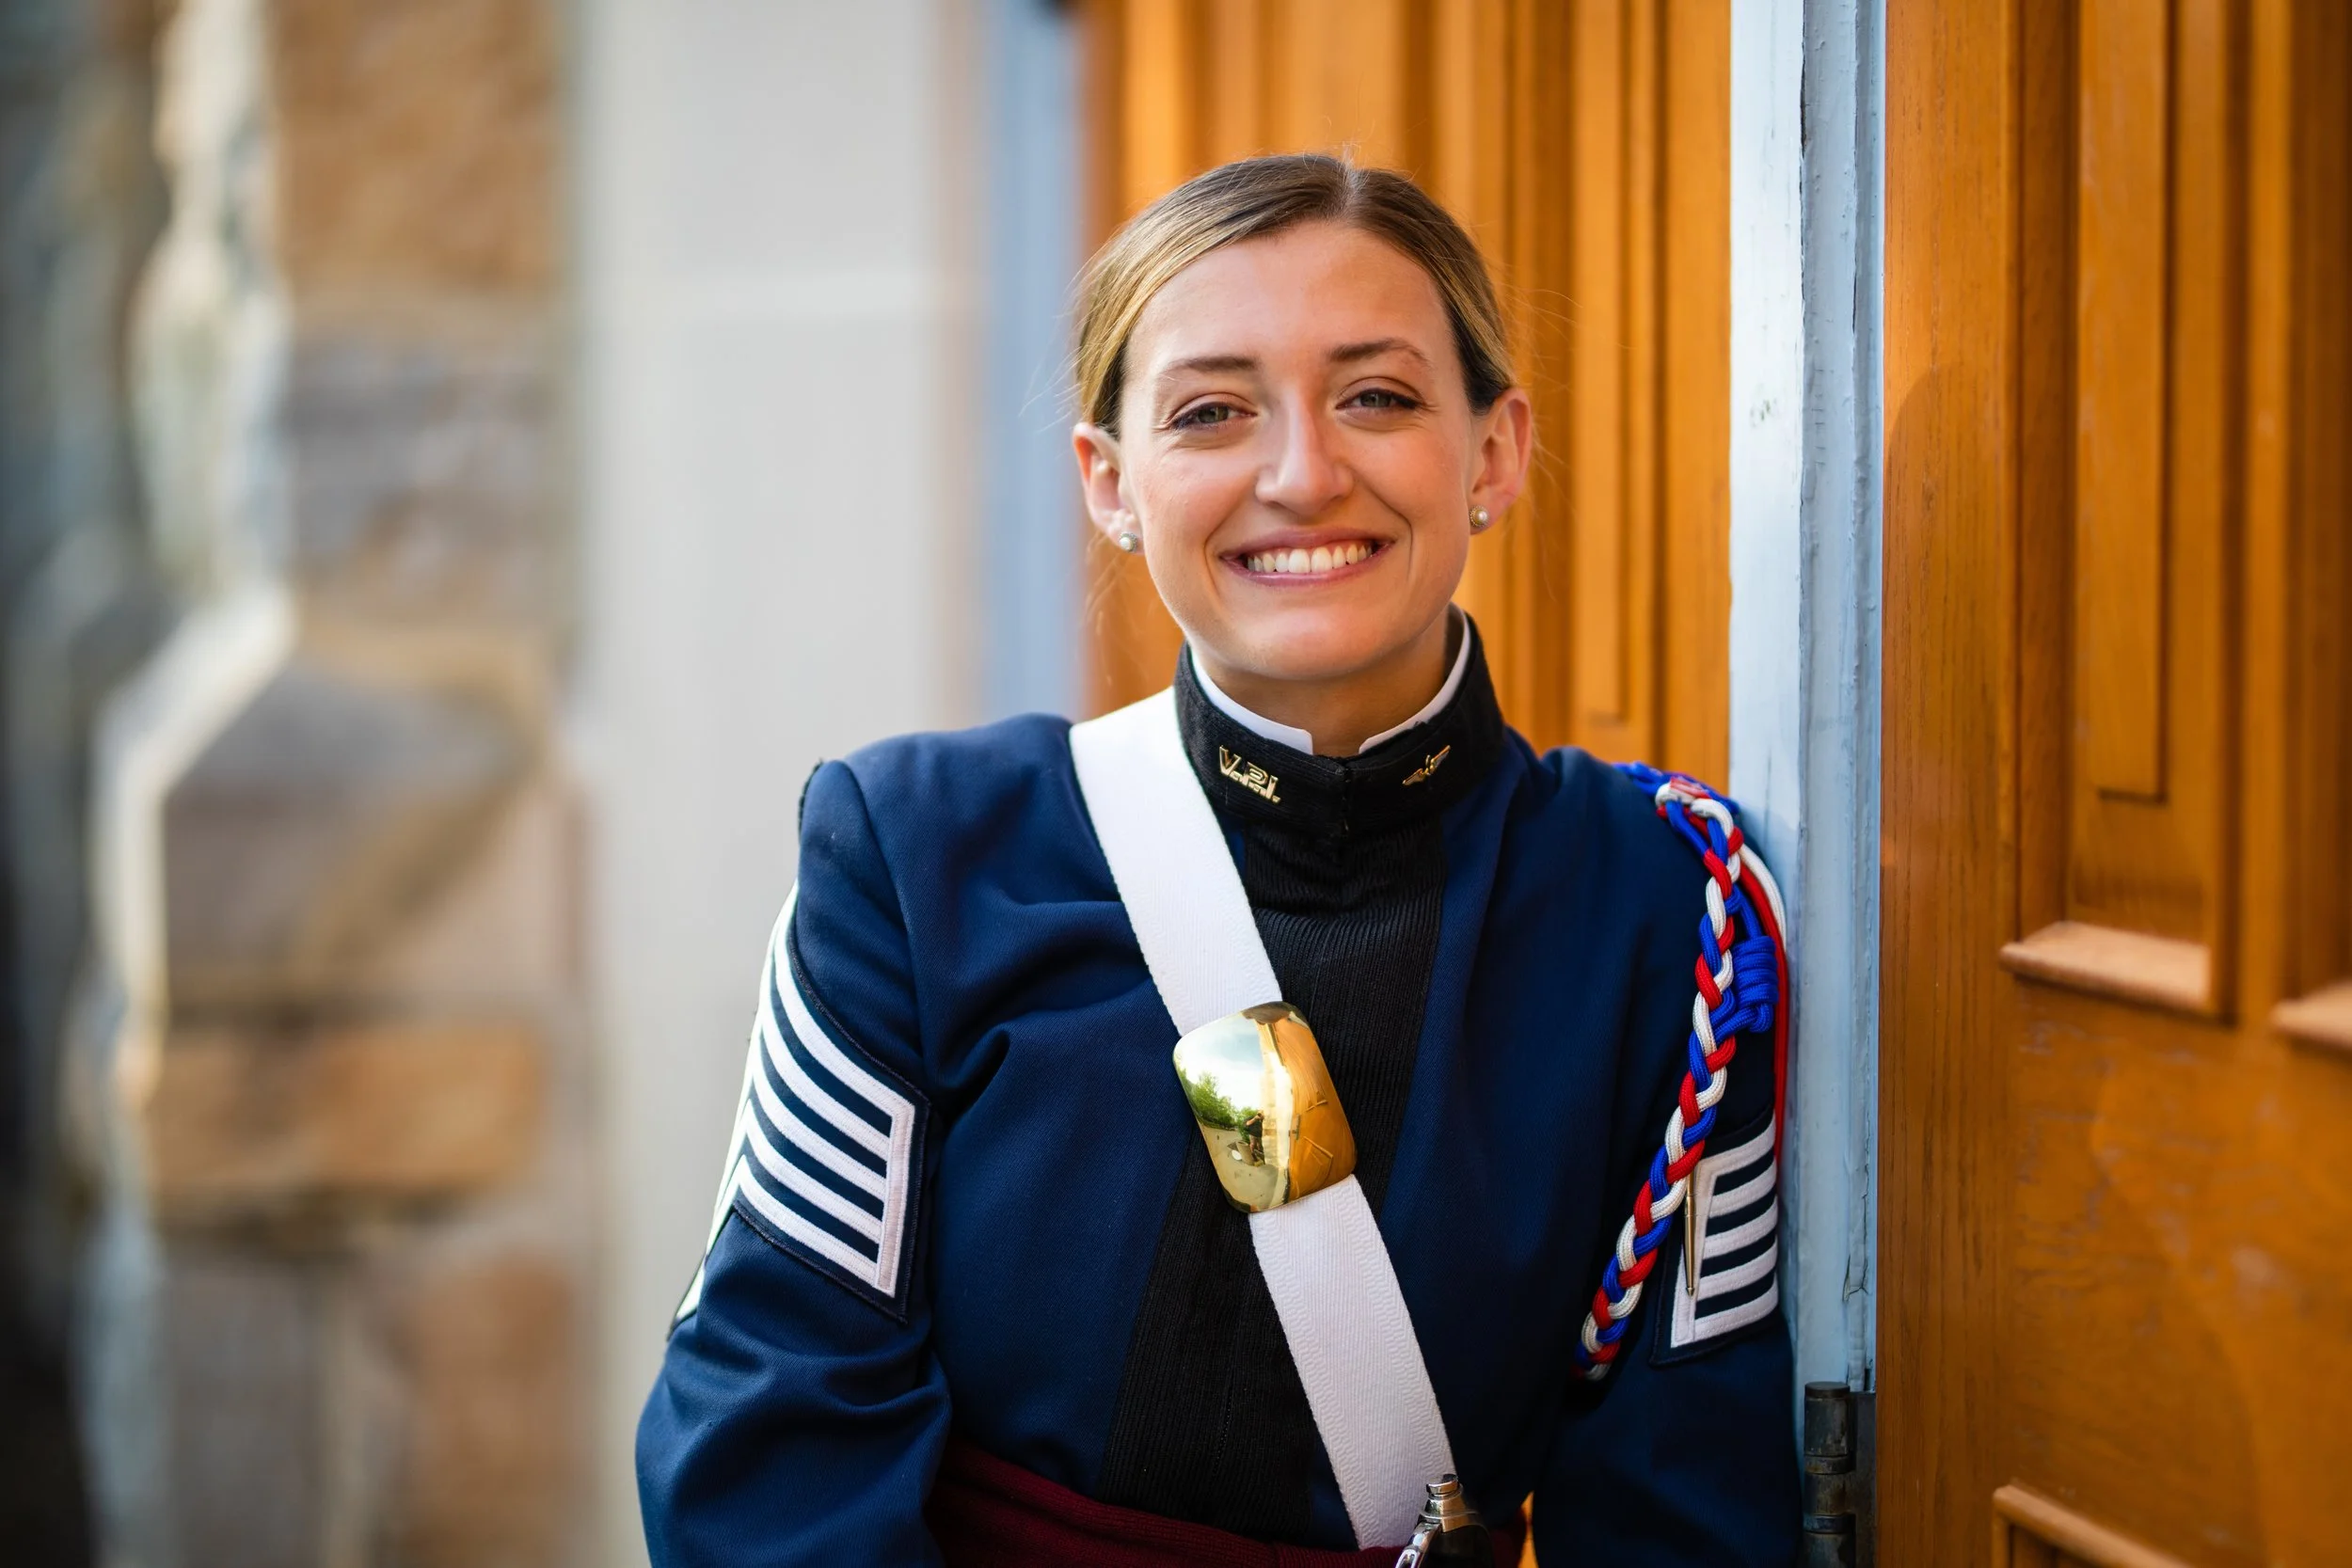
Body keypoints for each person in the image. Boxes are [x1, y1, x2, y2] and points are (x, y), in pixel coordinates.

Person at [637, 152, 1799, 1567]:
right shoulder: (920, 860)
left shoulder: (1667, 918)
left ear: (1493, 451)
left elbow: (1689, 1507)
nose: (1303, 474)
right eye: (1211, 413)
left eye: (1377, 395)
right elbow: (772, 1445)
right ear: (1110, 482)